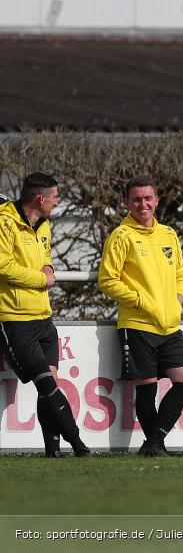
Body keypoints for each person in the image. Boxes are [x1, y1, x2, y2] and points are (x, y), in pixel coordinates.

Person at [98, 176, 183, 457]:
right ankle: (155, 446)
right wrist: (140, 300)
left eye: (148, 198)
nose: (143, 204)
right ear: (128, 203)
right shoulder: (121, 235)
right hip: (137, 324)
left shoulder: (169, 234)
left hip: (170, 325)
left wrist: (177, 301)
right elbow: (108, 280)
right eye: (137, 199)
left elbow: (180, 273)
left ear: (156, 201)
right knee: (147, 391)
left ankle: (153, 444)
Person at [0, 173, 91, 457]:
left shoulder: (45, 225)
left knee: (46, 388)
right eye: (54, 196)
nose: (57, 201)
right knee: (48, 385)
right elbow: (3, 266)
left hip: (43, 318)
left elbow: (45, 260)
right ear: (41, 198)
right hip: (15, 319)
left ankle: (53, 452)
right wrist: (42, 280)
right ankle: (80, 446)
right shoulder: (4, 222)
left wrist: (49, 270)